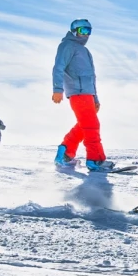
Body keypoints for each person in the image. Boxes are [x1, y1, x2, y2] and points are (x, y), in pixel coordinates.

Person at [52, 19, 114, 171]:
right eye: (82, 30)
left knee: (84, 125)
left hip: (87, 94)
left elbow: (91, 77)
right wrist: (57, 89)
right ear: (74, 31)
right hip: (77, 92)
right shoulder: (67, 46)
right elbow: (58, 67)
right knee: (92, 126)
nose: (86, 34)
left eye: (88, 31)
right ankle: (95, 160)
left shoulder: (85, 51)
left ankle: (65, 152)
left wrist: (95, 98)